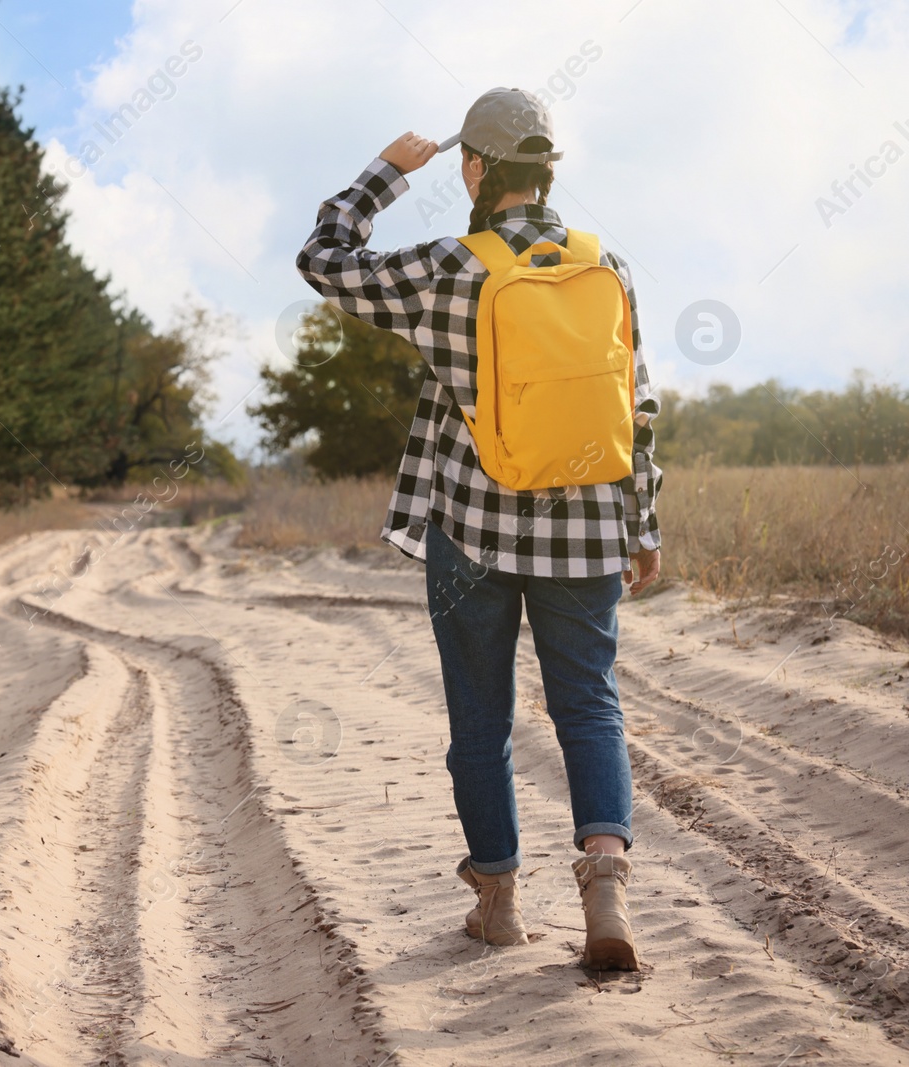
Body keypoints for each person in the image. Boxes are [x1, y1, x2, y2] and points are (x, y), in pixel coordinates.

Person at [295, 87, 662, 971]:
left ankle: (499, 899)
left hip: (473, 529)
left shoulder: (447, 267)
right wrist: (642, 522)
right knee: (590, 702)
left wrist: (386, 173)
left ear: (474, 167)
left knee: (480, 716)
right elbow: (638, 409)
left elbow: (324, 259)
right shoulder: (604, 263)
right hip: (585, 524)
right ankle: (604, 873)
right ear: (546, 170)